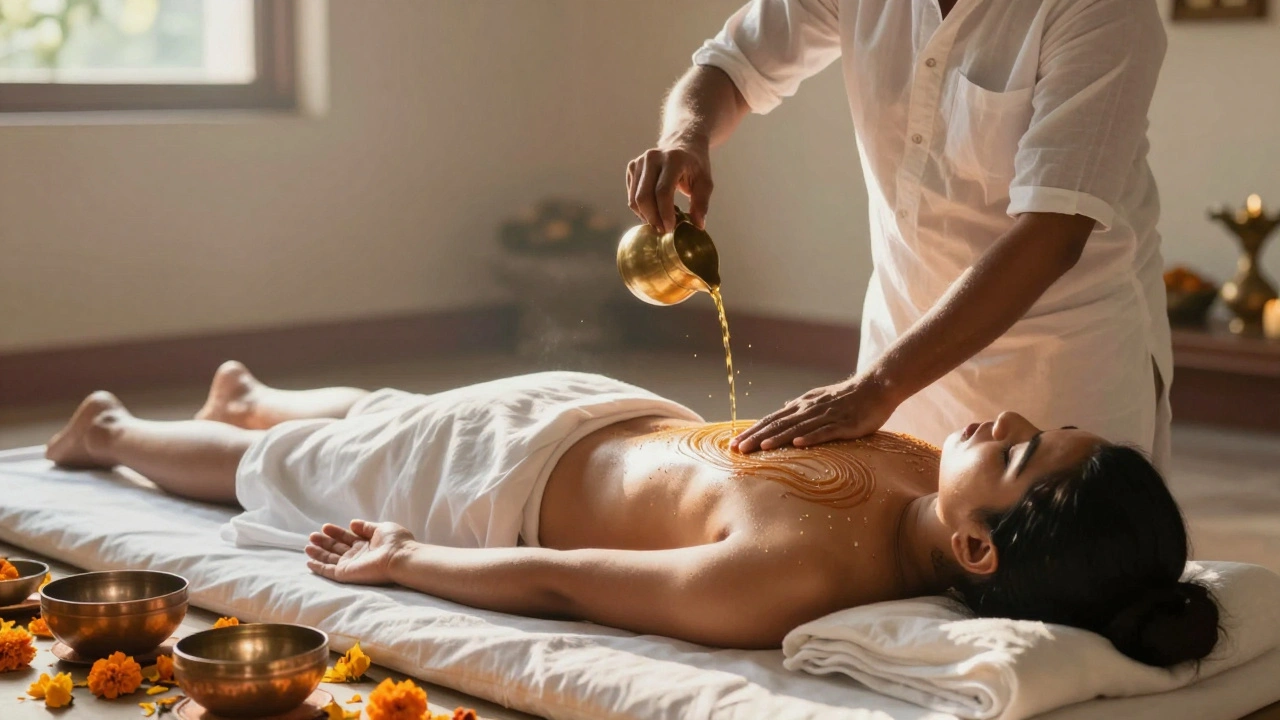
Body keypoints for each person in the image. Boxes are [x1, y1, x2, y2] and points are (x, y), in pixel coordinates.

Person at [45, 362, 1216, 665]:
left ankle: (114, 434)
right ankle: (255, 395)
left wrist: (412, 557)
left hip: (492, 488)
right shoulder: (921, 460)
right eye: (1030, 424)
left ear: (976, 546)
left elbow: (570, 583)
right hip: (595, 410)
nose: (998, 420)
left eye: (1012, 453)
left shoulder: (788, 585)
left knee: (309, 462)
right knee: (395, 409)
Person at [625, 0, 1173, 470]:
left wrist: (877, 386)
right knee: (903, 570)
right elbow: (730, 65)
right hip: (902, 350)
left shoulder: (1102, 8)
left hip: (1063, 376)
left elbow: (1053, 232)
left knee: (1055, 581)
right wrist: (685, 135)